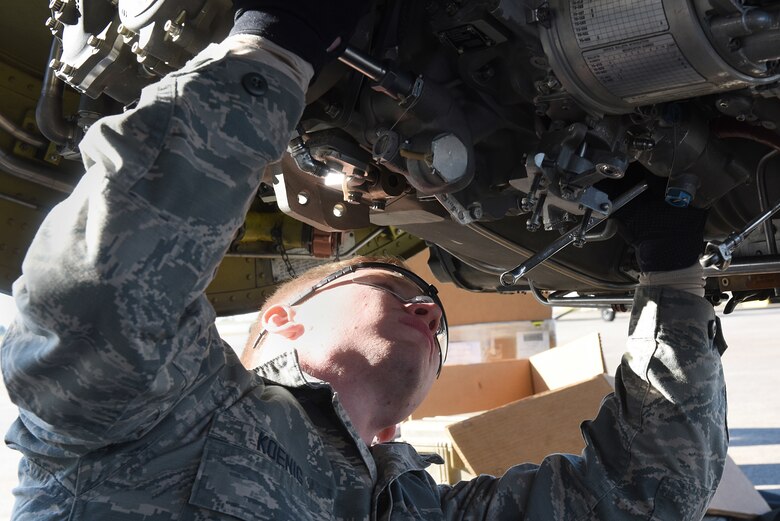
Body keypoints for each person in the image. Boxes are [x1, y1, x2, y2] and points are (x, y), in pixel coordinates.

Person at [1, 1, 727, 519]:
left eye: (389, 286)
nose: (427, 311)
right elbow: (647, 495)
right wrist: (673, 278)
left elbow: (96, 308)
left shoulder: (165, 408)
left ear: (282, 317)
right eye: (436, 326)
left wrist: (274, 49)